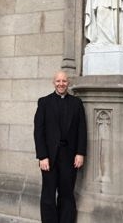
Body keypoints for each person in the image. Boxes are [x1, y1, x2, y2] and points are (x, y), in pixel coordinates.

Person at [34, 71, 87, 223]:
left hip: (70, 157)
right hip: (49, 157)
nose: (61, 83)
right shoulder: (44, 102)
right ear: (54, 82)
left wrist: (80, 153)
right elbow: (38, 131)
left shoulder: (77, 103)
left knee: (67, 193)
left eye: (64, 81)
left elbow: (82, 130)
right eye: (58, 81)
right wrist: (42, 156)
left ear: (68, 83)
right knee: (48, 194)